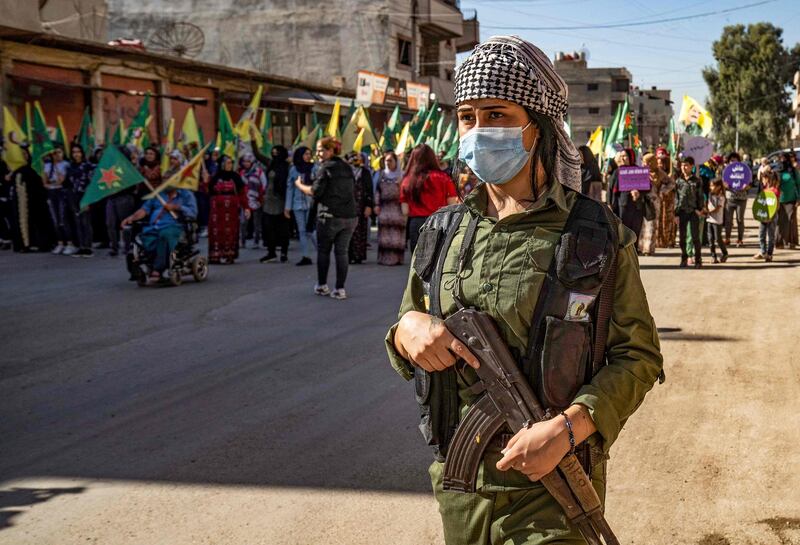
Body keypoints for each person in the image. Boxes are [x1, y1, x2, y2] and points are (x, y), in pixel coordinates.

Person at [386, 35, 663, 545]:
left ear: (539, 127)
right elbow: (410, 315)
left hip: (550, 491)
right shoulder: (443, 229)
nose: (479, 131)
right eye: (468, 117)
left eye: (497, 114)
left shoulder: (595, 234)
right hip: (461, 487)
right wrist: (408, 330)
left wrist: (569, 428)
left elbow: (638, 357)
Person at [294, 136, 357, 300]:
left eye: (321, 150)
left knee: (324, 251)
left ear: (330, 150)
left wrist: (299, 185)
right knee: (342, 252)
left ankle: (322, 285)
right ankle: (340, 289)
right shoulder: (347, 167)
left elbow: (315, 191)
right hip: (349, 216)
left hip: (329, 216)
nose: (318, 153)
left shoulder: (325, 168)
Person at [121, 186, 197, 281]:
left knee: (164, 234)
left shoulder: (186, 195)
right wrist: (131, 218)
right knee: (137, 239)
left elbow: (193, 212)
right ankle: (137, 268)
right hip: (154, 228)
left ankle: (158, 269)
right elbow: (144, 209)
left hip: (175, 227)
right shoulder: (158, 194)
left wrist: (176, 207)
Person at [400, 144, 458, 254]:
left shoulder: (407, 181)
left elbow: (405, 211)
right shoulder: (443, 178)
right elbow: (452, 205)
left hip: (416, 224)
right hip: (439, 222)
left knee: (417, 262)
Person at [9, 146, 55, 252]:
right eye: (22, 154)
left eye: (25, 153)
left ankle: (43, 243)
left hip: (37, 200)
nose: (24, 156)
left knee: (40, 221)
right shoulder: (18, 170)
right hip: (23, 202)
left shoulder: (37, 167)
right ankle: (25, 244)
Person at [208, 155, 250, 264]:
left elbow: (242, 193)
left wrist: (246, 207)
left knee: (230, 231)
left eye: (231, 163)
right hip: (216, 210)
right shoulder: (215, 177)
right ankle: (215, 256)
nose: (229, 165)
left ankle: (229, 255)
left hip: (231, 210)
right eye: (227, 163)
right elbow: (208, 191)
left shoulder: (235, 177)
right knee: (216, 232)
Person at [284, 146, 316, 266]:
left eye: (309, 154)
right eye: (305, 154)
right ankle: (305, 256)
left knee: (311, 230)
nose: (308, 156)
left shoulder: (314, 168)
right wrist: (287, 207)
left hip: (311, 203)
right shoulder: (293, 170)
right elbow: (290, 188)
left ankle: (322, 251)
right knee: (301, 231)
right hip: (297, 204)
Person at [106, 147, 140, 257]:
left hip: (125, 197)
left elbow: (134, 183)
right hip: (111, 197)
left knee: (126, 223)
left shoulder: (129, 167)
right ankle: (114, 247)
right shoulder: (110, 166)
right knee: (110, 223)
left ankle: (128, 246)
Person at [259, 145, 291, 263]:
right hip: (269, 199)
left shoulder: (287, 167)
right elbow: (258, 156)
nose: (274, 155)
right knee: (268, 227)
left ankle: (284, 252)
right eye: (272, 153)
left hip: (281, 199)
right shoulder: (270, 164)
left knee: (282, 228)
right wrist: (253, 140)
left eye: (276, 153)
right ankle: (271, 252)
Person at [374, 150, 406, 266]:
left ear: (396, 162)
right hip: (384, 208)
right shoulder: (381, 174)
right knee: (385, 236)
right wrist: (376, 205)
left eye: (390, 161)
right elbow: (377, 191)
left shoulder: (402, 175)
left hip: (397, 209)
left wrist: (400, 185)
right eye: (386, 161)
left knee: (396, 236)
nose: (388, 163)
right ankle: (384, 259)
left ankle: (396, 259)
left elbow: (406, 192)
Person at [44, 146, 77, 255]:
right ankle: (60, 242)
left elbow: (60, 181)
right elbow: (45, 182)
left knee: (63, 218)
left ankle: (70, 243)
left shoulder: (65, 165)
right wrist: (50, 183)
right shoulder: (47, 165)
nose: (56, 155)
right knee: (55, 219)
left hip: (61, 193)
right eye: (54, 153)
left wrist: (56, 170)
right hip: (51, 193)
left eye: (59, 152)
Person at [64, 143, 96, 257]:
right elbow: (68, 183)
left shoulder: (88, 166)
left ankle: (88, 247)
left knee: (85, 222)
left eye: (78, 152)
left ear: (82, 153)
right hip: (73, 196)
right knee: (77, 222)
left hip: (85, 196)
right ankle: (81, 246)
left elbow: (92, 183)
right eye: (74, 152)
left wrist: (88, 200)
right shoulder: (70, 167)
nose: (76, 154)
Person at [674, 156, 704, 268]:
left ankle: (698, 259)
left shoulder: (697, 181)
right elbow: (676, 198)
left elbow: (700, 196)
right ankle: (684, 258)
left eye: (686, 165)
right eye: (682, 165)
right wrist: (675, 213)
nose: (683, 167)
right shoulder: (678, 181)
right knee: (682, 238)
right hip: (682, 212)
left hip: (693, 212)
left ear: (691, 166)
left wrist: (699, 209)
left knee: (695, 237)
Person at [345, 151, 375, 264]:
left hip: (361, 206)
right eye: (352, 158)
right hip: (348, 207)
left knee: (360, 231)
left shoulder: (365, 172)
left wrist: (369, 205)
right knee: (348, 232)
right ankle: (348, 256)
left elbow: (369, 190)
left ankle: (358, 256)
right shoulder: (346, 172)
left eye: (357, 158)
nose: (355, 160)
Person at [638, 153, 666, 256]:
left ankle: (649, 248)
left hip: (653, 202)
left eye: (648, 162)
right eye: (644, 162)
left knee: (651, 225)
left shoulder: (660, 173)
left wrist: (662, 191)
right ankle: (640, 247)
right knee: (641, 226)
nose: (646, 164)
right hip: (642, 200)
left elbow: (671, 183)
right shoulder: (640, 172)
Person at [238, 153, 267, 249]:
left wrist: (261, 196)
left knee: (257, 222)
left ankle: (256, 241)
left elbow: (264, 184)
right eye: (244, 161)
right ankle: (242, 241)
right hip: (245, 201)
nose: (246, 163)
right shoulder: (241, 173)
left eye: (248, 161)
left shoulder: (259, 172)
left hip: (257, 200)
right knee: (243, 222)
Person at [722, 151, 748, 247]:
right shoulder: (726, 171)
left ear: (738, 160)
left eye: (734, 160)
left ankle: (740, 239)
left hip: (741, 199)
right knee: (728, 220)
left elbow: (749, 183)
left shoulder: (744, 170)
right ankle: (727, 238)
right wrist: (725, 186)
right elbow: (722, 183)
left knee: (740, 219)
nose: (732, 162)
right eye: (731, 160)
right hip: (730, 199)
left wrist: (745, 187)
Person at [755, 168, 780, 261]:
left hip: (772, 217)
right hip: (763, 216)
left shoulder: (775, 191)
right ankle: (763, 252)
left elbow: (777, 206)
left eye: (763, 179)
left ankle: (769, 254)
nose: (762, 181)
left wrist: (771, 216)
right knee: (761, 235)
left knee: (771, 236)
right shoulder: (765, 190)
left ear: (768, 179)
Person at [776, 152, 798, 250]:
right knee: (780, 221)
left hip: (792, 199)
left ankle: (791, 242)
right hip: (778, 200)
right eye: (780, 158)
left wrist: (799, 198)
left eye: (784, 157)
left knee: (790, 220)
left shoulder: (793, 171)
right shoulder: (776, 171)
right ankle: (779, 242)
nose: (782, 159)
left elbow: (799, 184)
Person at [706, 178, 728, 263]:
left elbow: (717, 208)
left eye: (713, 186)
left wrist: (708, 212)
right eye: (710, 185)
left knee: (718, 239)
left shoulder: (721, 197)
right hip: (709, 220)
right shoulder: (710, 194)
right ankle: (713, 256)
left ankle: (724, 253)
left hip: (717, 221)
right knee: (710, 239)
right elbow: (707, 204)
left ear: (718, 187)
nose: (711, 187)